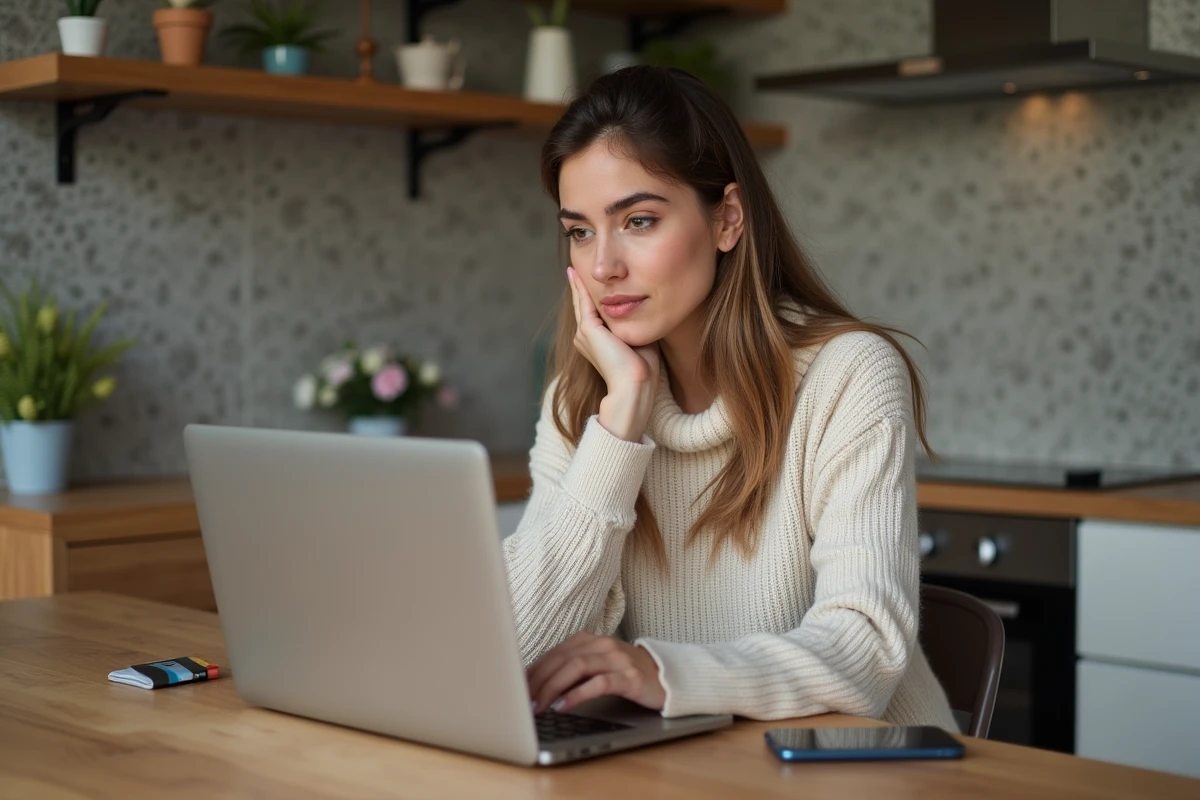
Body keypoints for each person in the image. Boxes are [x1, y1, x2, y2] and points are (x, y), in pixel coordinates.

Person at [504, 65, 957, 730]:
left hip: (862, 775)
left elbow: (866, 650)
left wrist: (665, 676)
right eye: (579, 230)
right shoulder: (583, 403)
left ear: (728, 220)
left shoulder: (847, 375)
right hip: (680, 772)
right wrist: (620, 427)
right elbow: (518, 650)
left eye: (638, 219)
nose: (603, 266)